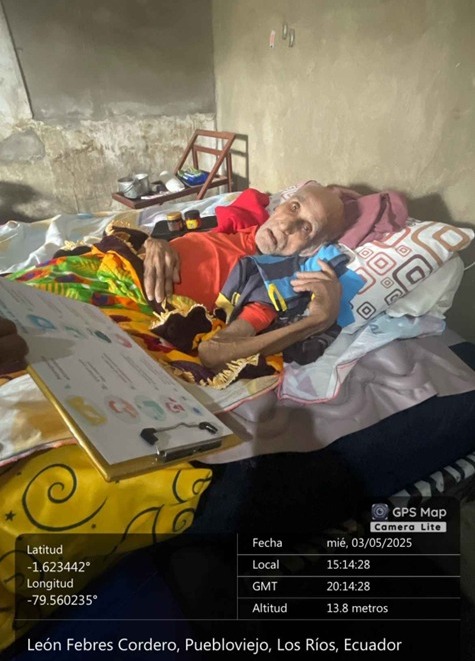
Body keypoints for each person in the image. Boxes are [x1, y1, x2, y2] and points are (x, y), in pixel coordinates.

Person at [143, 182, 347, 370]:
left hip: (137, 309)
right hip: (129, 263)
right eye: (294, 207)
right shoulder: (238, 228)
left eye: (306, 228)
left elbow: (214, 352)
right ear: (280, 206)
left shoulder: (267, 284)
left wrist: (318, 320)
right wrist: (153, 243)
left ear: (311, 249)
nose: (286, 226)